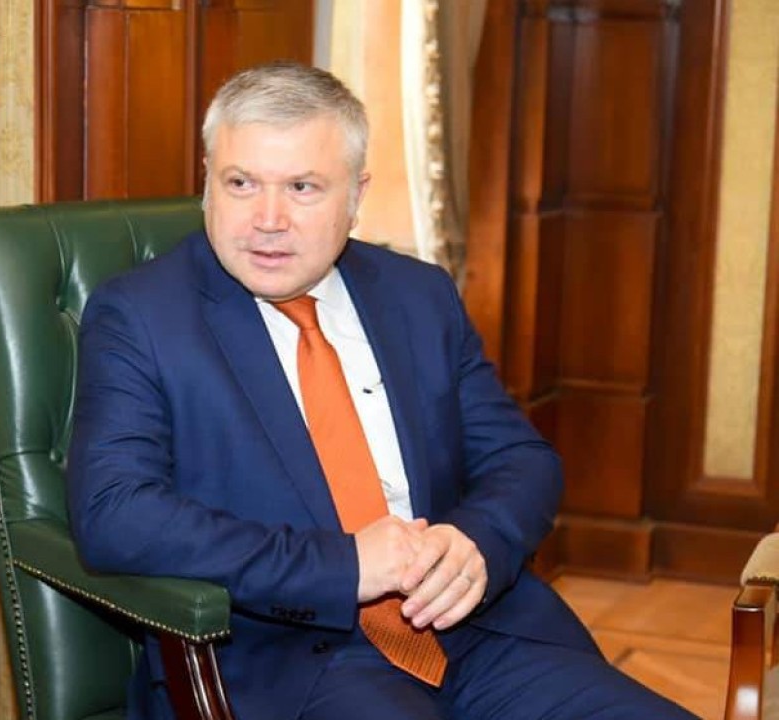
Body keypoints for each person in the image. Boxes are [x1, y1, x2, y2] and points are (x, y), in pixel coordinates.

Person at [66, 62, 695, 720]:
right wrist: (344, 567)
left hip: (474, 632)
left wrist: (474, 542)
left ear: (355, 195)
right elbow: (115, 512)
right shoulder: (142, 315)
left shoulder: (417, 294)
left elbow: (521, 458)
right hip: (291, 661)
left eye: (303, 187)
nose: (267, 219)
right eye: (241, 183)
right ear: (207, 180)